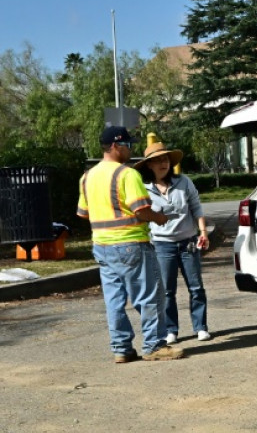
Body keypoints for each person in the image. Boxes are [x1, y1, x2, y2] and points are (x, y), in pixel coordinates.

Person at [77, 126, 183, 363]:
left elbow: (83, 213)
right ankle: (154, 345)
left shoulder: (87, 177)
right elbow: (142, 211)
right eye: (128, 145)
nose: (131, 149)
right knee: (150, 296)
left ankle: (121, 348)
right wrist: (161, 218)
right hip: (131, 243)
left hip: (102, 246)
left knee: (114, 300)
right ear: (115, 146)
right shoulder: (127, 175)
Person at [134, 140, 212, 344]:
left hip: (188, 242)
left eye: (165, 159)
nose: (163, 163)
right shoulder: (144, 189)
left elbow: (196, 207)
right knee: (167, 291)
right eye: (158, 160)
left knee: (196, 287)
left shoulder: (184, 182)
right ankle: (171, 330)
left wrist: (203, 232)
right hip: (161, 245)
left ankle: (200, 327)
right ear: (149, 165)